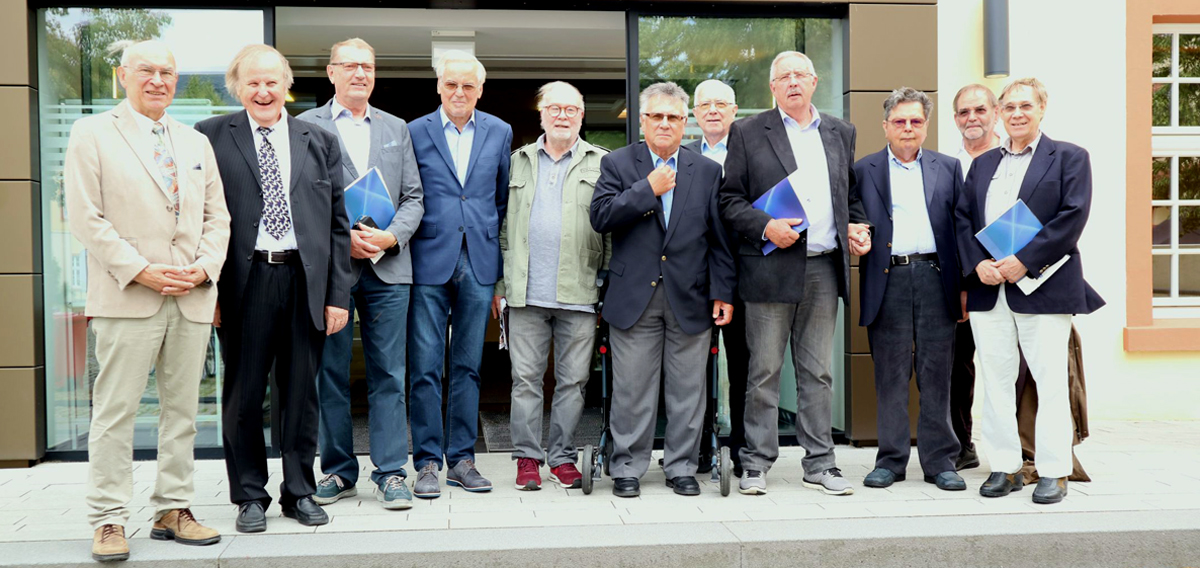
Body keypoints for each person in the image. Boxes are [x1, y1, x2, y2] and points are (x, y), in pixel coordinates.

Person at [65, 40, 230, 562]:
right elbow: (87, 218)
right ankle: (109, 518)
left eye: (167, 72)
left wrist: (203, 268)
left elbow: (217, 217)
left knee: (182, 412)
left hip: (190, 296)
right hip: (128, 295)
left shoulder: (194, 140)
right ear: (122, 76)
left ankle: (173, 507)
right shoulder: (91, 133)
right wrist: (141, 271)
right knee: (115, 412)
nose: (158, 80)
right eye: (146, 71)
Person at [196, 44, 352, 531]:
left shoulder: (319, 139)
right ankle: (248, 495)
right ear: (237, 87)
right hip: (244, 281)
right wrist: (211, 291)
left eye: (272, 82)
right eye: (252, 82)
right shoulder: (211, 136)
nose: (263, 91)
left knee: (301, 395)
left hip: (305, 280)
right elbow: (201, 219)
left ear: (288, 86)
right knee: (244, 394)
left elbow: (337, 225)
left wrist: (336, 295)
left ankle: (299, 492)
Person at [718, 51, 867, 496]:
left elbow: (850, 197)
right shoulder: (746, 131)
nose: (793, 83)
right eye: (783, 77)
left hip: (822, 267)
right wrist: (765, 225)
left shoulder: (841, 132)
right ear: (772, 87)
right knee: (763, 371)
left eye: (800, 75)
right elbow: (729, 201)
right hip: (769, 267)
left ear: (815, 81)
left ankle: (820, 463)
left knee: (818, 373)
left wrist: (859, 227)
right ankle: (757, 463)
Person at [954, 77, 1104, 505]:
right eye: (1009, 107)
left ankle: (1053, 471)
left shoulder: (1070, 158)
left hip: (1044, 285)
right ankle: (1005, 467)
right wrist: (976, 264)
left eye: (1025, 106)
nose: (1017, 114)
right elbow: (962, 220)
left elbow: (1072, 217)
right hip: (990, 290)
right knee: (997, 381)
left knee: (1049, 380)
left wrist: (1025, 260)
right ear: (999, 113)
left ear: (1041, 109)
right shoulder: (983, 164)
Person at [591, 81, 735, 498]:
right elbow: (600, 217)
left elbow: (719, 241)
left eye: (674, 117)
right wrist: (645, 189)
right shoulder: (617, 164)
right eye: (657, 116)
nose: (665, 124)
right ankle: (627, 467)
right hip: (634, 297)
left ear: (685, 123)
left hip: (690, 296)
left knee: (688, 390)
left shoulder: (707, 171)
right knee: (632, 388)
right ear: (643, 120)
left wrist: (722, 293)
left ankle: (682, 467)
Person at [297, 38, 424, 510]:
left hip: (389, 268)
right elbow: (297, 200)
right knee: (328, 372)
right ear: (330, 73)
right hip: (330, 270)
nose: (359, 73)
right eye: (349, 65)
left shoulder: (397, 128)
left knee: (390, 372)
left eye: (367, 66)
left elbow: (415, 197)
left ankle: (391, 472)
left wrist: (391, 238)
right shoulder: (304, 126)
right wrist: (339, 239)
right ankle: (337, 470)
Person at [849, 87, 966, 492]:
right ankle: (891, 461)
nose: (907, 128)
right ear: (885, 126)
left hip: (936, 276)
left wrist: (965, 286)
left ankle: (940, 461)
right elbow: (854, 220)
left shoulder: (948, 168)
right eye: (899, 121)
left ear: (926, 126)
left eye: (916, 121)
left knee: (937, 374)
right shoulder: (863, 170)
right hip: (889, 278)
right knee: (891, 375)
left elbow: (961, 228)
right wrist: (855, 235)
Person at [407, 50, 513, 499]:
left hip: (481, 260)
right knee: (426, 366)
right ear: (438, 86)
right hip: (429, 257)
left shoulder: (500, 131)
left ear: (480, 90)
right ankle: (428, 462)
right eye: (452, 84)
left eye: (468, 85)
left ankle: (462, 459)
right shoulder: (413, 131)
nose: (459, 92)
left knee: (468, 366)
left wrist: (499, 267)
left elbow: (502, 196)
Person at [495, 81, 609, 490]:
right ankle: (527, 458)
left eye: (571, 109)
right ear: (541, 114)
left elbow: (610, 231)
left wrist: (605, 284)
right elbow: (501, 227)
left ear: (582, 115)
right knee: (525, 380)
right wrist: (500, 283)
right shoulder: (516, 162)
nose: (563, 115)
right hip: (524, 291)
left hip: (580, 292)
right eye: (555, 108)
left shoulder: (603, 163)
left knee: (574, 381)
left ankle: (561, 457)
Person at [684, 79, 747, 475]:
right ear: (693, 114)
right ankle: (699, 450)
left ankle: (741, 450)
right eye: (704, 104)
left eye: (721, 104)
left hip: (746, 277)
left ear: (734, 111)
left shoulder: (753, 153)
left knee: (743, 367)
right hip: (694, 280)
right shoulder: (684, 156)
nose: (712, 110)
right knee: (693, 370)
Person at [948, 83, 1002, 470]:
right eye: (965, 112)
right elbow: (951, 231)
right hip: (962, 287)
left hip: (1015, 282)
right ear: (955, 119)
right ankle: (960, 445)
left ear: (995, 113)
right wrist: (963, 286)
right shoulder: (947, 165)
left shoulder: (1014, 160)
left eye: (980, 110)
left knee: (1009, 371)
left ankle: (1018, 449)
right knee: (956, 369)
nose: (972, 119)